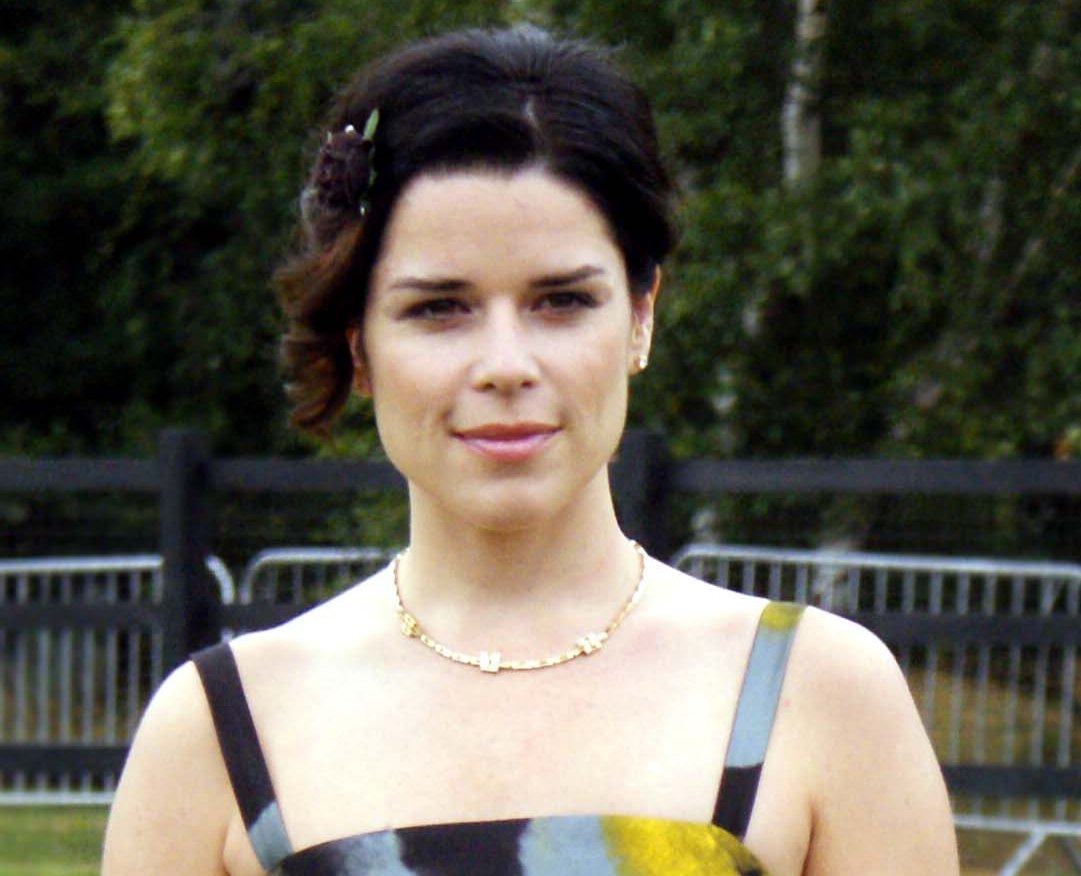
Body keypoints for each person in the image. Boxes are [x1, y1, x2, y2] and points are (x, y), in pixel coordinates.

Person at [102, 26, 960, 876]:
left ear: (640, 315)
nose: (505, 365)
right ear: (358, 346)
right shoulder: (222, 730)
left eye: (560, 301)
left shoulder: (817, 697)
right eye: (439, 309)